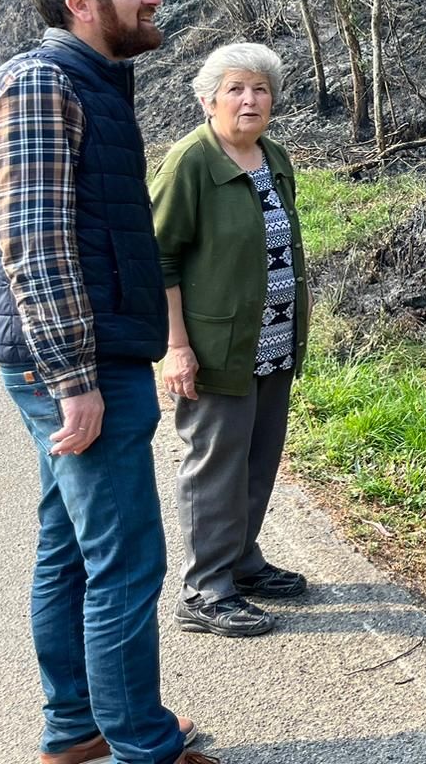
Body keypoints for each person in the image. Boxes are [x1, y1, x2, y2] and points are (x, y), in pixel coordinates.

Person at [0, 0, 216, 764]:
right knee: (126, 559)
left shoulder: (91, 84)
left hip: (81, 353)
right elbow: (33, 245)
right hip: (75, 362)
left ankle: (75, 728)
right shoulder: (42, 83)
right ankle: (142, 745)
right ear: (81, 4)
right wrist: (74, 379)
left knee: (73, 545)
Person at [151, 42, 311, 639]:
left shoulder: (273, 155)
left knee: (258, 455)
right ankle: (205, 588)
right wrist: (176, 346)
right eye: (236, 89)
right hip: (213, 346)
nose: (250, 100)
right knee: (215, 464)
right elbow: (159, 257)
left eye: (261, 89)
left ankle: (241, 562)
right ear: (208, 100)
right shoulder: (190, 161)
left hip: (270, 339)